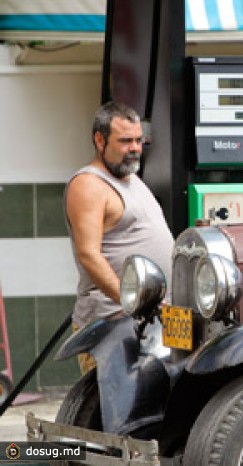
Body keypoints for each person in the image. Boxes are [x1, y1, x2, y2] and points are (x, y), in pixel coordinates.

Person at [64, 101, 174, 374]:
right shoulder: (89, 185)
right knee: (110, 411)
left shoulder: (131, 177)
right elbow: (88, 255)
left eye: (139, 140)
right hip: (112, 321)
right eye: (125, 141)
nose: (135, 148)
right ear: (99, 140)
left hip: (149, 319)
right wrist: (134, 301)